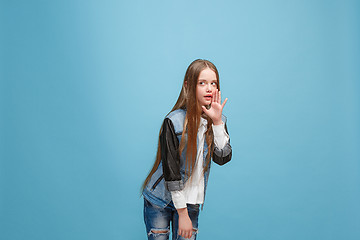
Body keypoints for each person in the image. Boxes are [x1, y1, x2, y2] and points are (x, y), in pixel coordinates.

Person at [141, 59, 232, 240]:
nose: (209, 88)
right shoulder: (173, 121)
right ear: (188, 85)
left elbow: (222, 158)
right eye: (202, 83)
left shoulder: (216, 120)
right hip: (161, 200)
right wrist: (182, 213)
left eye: (213, 83)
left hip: (191, 202)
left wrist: (217, 122)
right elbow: (171, 170)